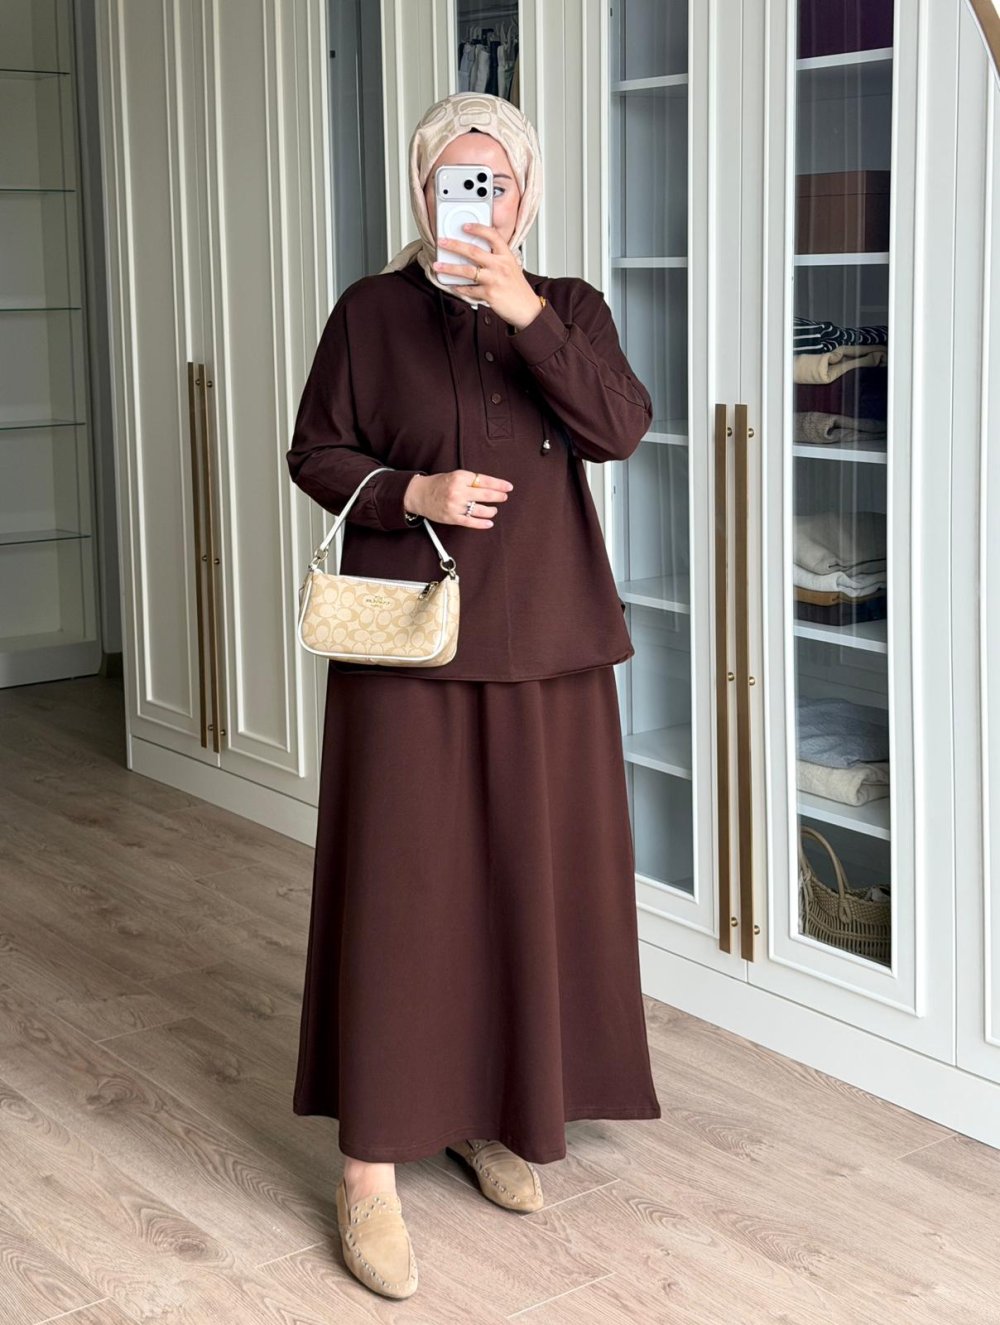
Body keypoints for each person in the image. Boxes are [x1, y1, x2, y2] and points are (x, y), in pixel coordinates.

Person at [286, 90, 661, 1302]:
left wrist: (523, 311)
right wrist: (414, 493)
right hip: (411, 642)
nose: (478, 199)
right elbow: (315, 451)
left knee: (523, 892)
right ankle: (368, 1170)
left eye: (497, 181)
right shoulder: (368, 311)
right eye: (457, 179)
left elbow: (619, 428)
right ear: (421, 191)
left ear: (527, 194)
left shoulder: (572, 308)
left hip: (548, 644)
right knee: (403, 899)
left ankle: (489, 1113)